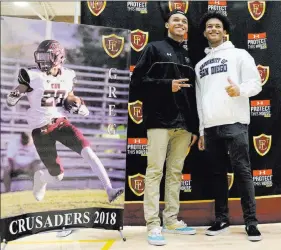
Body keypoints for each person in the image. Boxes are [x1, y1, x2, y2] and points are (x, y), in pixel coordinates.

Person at [6, 39, 124, 203]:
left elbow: (69, 96)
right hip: (41, 129)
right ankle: (41, 178)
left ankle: (110, 190)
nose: (41, 60)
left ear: (58, 58)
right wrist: (14, 96)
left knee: (88, 152)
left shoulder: (67, 75)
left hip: (61, 122)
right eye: (40, 56)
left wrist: (78, 104)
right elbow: (18, 92)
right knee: (58, 175)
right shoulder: (33, 75)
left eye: (46, 56)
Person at [130, 10, 199, 246]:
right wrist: (166, 85)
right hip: (159, 122)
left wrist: (194, 128)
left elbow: (193, 96)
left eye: (184, 21)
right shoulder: (154, 48)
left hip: (184, 126)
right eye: (176, 20)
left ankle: (170, 219)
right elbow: (136, 84)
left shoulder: (190, 56)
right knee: (154, 172)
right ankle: (153, 224)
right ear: (167, 25)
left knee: (175, 173)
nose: (180, 23)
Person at [195, 11, 262, 241]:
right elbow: (199, 100)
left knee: (243, 173)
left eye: (217, 26)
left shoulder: (239, 54)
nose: (213, 29)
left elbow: (256, 83)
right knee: (217, 175)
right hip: (211, 127)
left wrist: (240, 90)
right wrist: (202, 129)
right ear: (204, 33)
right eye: (209, 27)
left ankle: (251, 222)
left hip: (235, 123)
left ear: (225, 31)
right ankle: (221, 219)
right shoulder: (200, 65)